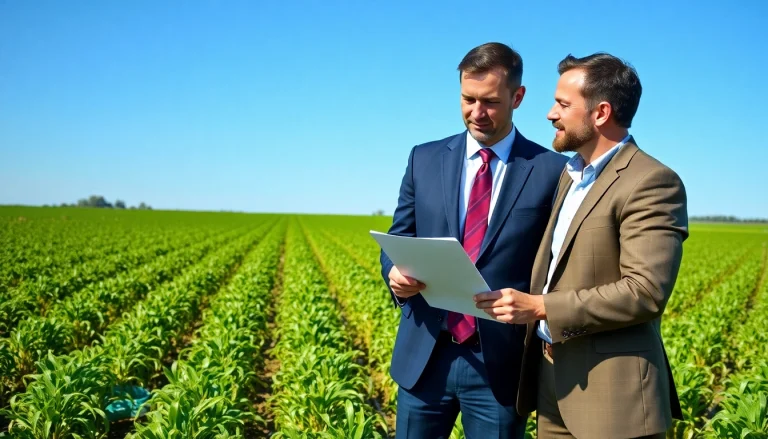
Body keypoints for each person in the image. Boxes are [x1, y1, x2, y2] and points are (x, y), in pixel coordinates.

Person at [473, 52, 688, 439]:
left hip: (613, 399)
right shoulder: (570, 177)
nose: (550, 114)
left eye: (562, 104)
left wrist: (540, 307)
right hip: (552, 385)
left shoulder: (651, 181)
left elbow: (645, 292)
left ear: (600, 112)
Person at [379, 42, 567, 439]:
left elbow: (560, 261)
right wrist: (394, 273)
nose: (476, 113)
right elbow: (398, 237)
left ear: (518, 97)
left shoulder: (551, 170)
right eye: (468, 99)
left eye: (490, 102)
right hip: (425, 356)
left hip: (499, 363)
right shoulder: (423, 159)